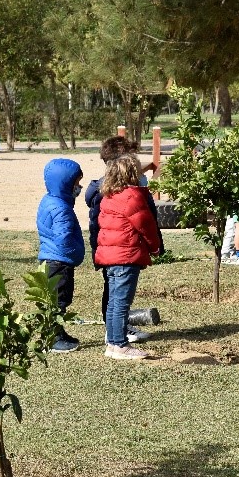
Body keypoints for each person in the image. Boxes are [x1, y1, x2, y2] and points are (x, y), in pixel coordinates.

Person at [85, 136, 163, 342]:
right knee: (119, 301)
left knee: (114, 299)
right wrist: (155, 246)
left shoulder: (108, 192)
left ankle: (115, 335)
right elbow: (144, 223)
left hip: (110, 251)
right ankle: (117, 340)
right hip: (123, 253)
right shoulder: (129, 195)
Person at [36, 158, 86, 353]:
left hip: (50, 259)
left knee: (55, 299)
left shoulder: (49, 201)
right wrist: (73, 251)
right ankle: (53, 337)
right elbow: (63, 237)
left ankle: (58, 331)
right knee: (58, 301)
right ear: (65, 184)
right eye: (76, 184)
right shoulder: (62, 209)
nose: (79, 187)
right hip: (59, 262)